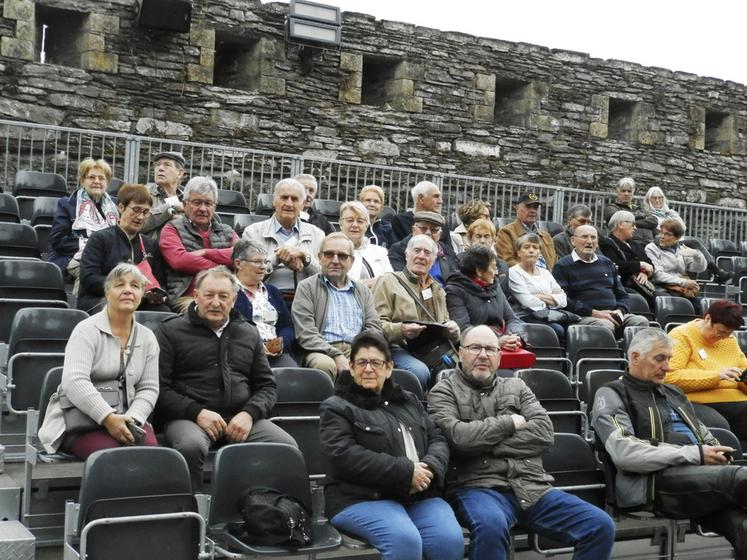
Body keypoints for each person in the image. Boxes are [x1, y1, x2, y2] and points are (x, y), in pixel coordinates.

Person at [429, 325, 615, 560]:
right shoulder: (443, 391)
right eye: (475, 348)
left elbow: (544, 434)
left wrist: (483, 444)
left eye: (490, 349)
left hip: (531, 486)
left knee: (600, 525)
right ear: (460, 352)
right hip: (477, 487)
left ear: (499, 356)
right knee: (491, 527)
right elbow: (459, 439)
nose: (483, 354)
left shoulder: (517, 386)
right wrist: (509, 423)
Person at [592, 327, 747, 557]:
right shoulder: (611, 394)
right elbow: (625, 453)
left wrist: (716, 453)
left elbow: (704, 435)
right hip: (652, 485)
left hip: (700, 479)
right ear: (635, 357)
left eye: (669, 359)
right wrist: (696, 454)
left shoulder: (674, 393)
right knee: (741, 478)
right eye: (659, 359)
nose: (667, 367)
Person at [319, 331, 465, 560]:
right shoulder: (336, 406)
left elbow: (437, 438)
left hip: (419, 494)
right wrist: (406, 472)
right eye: (362, 362)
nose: (368, 369)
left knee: (449, 541)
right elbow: (343, 455)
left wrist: (427, 469)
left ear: (389, 368)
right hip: (360, 497)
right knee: (404, 541)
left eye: (376, 362)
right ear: (351, 366)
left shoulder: (408, 400)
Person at [155, 266, 296, 490]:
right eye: (209, 295)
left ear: (234, 299)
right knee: (190, 447)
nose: (215, 302)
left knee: (286, 446)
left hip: (239, 417)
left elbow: (267, 386)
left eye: (223, 296)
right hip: (189, 418)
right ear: (196, 296)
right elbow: (159, 388)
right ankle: (189, 511)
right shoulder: (169, 331)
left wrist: (249, 414)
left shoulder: (248, 332)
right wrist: (197, 412)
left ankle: (267, 510)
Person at [38, 264, 159, 458]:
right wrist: (108, 418)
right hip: (80, 422)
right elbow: (74, 381)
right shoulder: (85, 330)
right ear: (107, 292)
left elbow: (149, 388)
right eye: (120, 285)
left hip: (128, 418)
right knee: (112, 458)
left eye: (135, 286)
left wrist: (134, 420)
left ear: (142, 293)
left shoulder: (148, 337)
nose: (128, 290)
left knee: (150, 455)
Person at [374, 235, 460, 390]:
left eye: (427, 253)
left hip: (431, 350)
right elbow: (374, 326)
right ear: (407, 255)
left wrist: (453, 330)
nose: (421, 256)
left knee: (464, 369)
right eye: (417, 251)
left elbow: (445, 325)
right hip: (397, 347)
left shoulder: (437, 289)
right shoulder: (388, 281)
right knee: (419, 371)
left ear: (433, 260)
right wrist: (401, 330)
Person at [292, 233, 382, 379]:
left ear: (351, 261)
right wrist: (336, 355)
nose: (335, 260)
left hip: (358, 349)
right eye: (328, 254)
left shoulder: (363, 291)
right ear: (320, 257)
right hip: (321, 350)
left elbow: (374, 328)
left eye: (342, 256)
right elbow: (306, 334)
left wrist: (360, 354)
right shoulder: (307, 287)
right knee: (325, 365)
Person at [77, 183, 168, 314]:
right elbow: (89, 278)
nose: (141, 217)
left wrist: (157, 294)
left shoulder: (150, 244)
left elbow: (160, 281)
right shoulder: (99, 239)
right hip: (102, 299)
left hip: (140, 301)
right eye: (136, 210)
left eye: (146, 212)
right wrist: (125, 287)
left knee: (163, 313)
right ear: (121, 207)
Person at [667, 300, 747, 445]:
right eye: (720, 332)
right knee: (720, 428)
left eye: (728, 334)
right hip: (696, 401)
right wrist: (717, 375)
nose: (723, 338)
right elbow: (670, 377)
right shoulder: (681, 335)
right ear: (708, 318)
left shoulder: (729, 339)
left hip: (736, 399)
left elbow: (742, 370)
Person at [552, 225, 649, 334]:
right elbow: (564, 300)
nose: (589, 241)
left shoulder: (606, 262)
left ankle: (632, 351)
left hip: (613, 315)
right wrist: (595, 313)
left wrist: (620, 311)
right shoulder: (563, 266)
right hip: (584, 317)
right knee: (604, 325)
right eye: (584, 237)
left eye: (593, 238)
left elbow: (622, 295)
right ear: (573, 241)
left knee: (641, 321)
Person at [159, 176, 237, 309]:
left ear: (215, 206)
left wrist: (206, 252)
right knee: (204, 310)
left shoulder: (226, 231)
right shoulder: (172, 228)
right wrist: (223, 269)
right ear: (184, 204)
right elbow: (180, 261)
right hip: (186, 297)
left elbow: (240, 255)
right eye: (197, 202)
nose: (203, 208)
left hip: (224, 295)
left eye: (208, 203)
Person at [242, 178, 325, 301]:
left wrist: (305, 257)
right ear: (274, 201)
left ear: (302, 205)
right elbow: (247, 274)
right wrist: (278, 258)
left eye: (295, 199)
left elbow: (326, 275)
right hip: (263, 299)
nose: (289, 204)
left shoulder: (318, 235)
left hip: (307, 301)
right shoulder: (253, 232)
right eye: (284, 197)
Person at [445, 244, 526, 348]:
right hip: (474, 348)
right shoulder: (455, 290)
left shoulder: (494, 287)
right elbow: (463, 329)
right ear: (479, 271)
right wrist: (496, 342)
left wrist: (513, 337)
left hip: (502, 342)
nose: (496, 272)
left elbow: (512, 319)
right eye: (493, 267)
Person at [49, 157, 119, 277]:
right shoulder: (68, 204)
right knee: (93, 272)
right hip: (74, 257)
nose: (97, 181)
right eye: (91, 177)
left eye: (101, 178)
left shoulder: (115, 206)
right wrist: (94, 248)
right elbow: (58, 240)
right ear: (82, 180)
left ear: (107, 183)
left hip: (108, 258)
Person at [232, 239, 297, 368]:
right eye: (257, 262)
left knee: (293, 379)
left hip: (276, 355)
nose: (263, 267)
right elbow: (230, 328)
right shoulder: (227, 291)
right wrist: (258, 346)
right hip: (243, 354)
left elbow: (287, 326)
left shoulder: (273, 291)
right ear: (238, 264)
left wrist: (281, 343)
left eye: (265, 262)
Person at [509, 233, 572, 342]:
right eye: (526, 247)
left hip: (548, 315)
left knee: (572, 328)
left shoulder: (545, 272)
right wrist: (552, 299)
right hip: (525, 317)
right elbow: (528, 303)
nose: (531, 250)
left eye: (535, 247)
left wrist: (537, 296)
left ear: (539, 253)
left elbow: (563, 300)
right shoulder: (514, 272)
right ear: (519, 252)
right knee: (558, 330)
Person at [645, 217, 706, 313]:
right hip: (661, 288)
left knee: (705, 306)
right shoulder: (651, 248)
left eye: (667, 234)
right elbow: (658, 275)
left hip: (681, 290)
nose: (662, 236)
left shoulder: (681, 249)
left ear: (677, 238)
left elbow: (699, 268)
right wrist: (683, 282)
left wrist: (697, 255)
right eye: (661, 232)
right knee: (679, 305)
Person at [598, 210, 656, 309]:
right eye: (632, 224)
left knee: (662, 297)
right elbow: (615, 264)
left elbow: (650, 264)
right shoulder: (607, 243)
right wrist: (640, 265)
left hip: (641, 285)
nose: (635, 227)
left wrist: (644, 273)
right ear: (621, 224)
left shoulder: (636, 245)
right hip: (623, 285)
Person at [388, 211, 459, 286]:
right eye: (423, 228)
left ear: (440, 234)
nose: (428, 233)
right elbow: (399, 279)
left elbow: (455, 281)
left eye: (434, 230)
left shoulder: (447, 251)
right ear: (413, 230)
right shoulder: (399, 249)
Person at [495, 193, 557, 269]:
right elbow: (507, 262)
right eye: (528, 207)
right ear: (517, 208)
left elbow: (555, 262)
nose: (533, 211)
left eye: (535, 208)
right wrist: (533, 273)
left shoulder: (546, 236)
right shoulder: (506, 232)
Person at [338, 201, 393, 285]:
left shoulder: (381, 252)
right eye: (350, 220)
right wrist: (366, 284)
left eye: (360, 221)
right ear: (341, 223)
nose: (355, 225)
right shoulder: (330, 251)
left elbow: (390, 282)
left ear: (366, 226)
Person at [141, 151, 186, 239]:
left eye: (167, 165)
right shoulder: (143, 193)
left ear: (180, 173)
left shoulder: (188, 199)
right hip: (150, 250)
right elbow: (137, 224)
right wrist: (170, 208)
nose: (160, 168)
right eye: (157, 165)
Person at [602, 177, 658, 243]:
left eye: (629, 191)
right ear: (617, 192)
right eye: (623, 191)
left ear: (633, 193)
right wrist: (641, 218)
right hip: (627, 244)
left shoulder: (639, 209)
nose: (626, 194)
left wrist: (628, 222)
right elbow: (618, 220)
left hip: (649, 244)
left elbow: (654, 221)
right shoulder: (611, 208)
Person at [465, 218, 509, 293]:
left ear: (493, 240)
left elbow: (503, 292)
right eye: (478, 236)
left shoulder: (502, 266)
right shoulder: (459, 260)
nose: (482, 241)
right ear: (470, 239)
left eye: (486, 236)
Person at [360, 184, 396, 248]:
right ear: (360, 203)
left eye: (376, 201)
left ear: (381, 207)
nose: (372, 204)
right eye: (368, 200)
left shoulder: (388, 229)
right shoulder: (353, 226)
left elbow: (395, 251)